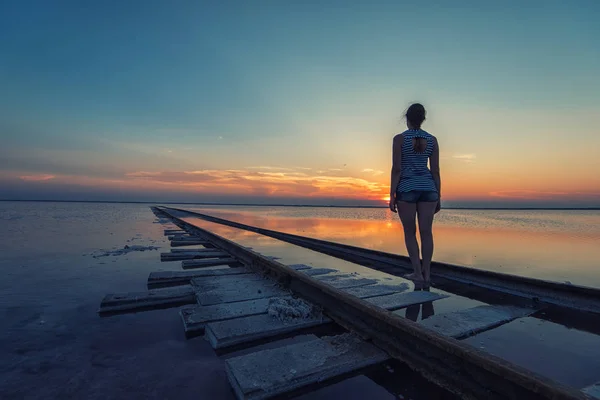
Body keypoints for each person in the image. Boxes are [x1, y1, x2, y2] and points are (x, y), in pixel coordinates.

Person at [389, 103, 441, 285]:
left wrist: (392, 194)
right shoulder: (433, 140)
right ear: (423, 119)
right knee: (427, 233)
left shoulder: (399, 139)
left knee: (410, 232)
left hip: (407, 189)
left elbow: (397, 169)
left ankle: (417, 273)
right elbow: (435, 170)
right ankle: (427, 274)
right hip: (429, 189)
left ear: (407, 119)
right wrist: (438, 195)